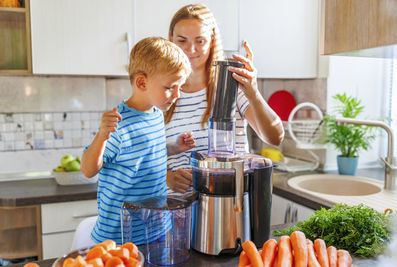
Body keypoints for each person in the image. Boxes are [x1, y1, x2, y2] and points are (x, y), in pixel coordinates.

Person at [80, 36, 193, 245]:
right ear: (142, 82)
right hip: (120, 237)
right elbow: (87, 169)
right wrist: (101, 136)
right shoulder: (119, 125)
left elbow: (145, 151)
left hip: (157, 228)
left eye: (179, 86)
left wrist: (174, 147)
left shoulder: (155, 114)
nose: (177, 94)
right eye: (170, 87)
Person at [165, 4, 285, 193]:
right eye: (182, 40)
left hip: (228, 209)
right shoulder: (163, 92)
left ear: (212, 41)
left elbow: (275, 137)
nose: (191, 49)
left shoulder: (231, 87)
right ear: (171, 39)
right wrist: (167, 177)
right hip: (176, 213)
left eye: (200, 41)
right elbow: (145, 156)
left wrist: (253, 91)